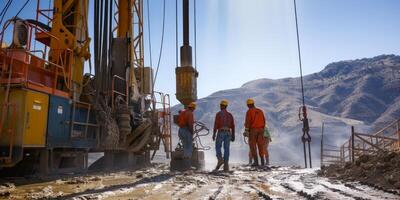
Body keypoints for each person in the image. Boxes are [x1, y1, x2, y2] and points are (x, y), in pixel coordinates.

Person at [212, 99, 235, 172]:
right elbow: (233, 126)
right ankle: (226, 166)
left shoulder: (218, 114)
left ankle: (220, 159)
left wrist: (214, 134)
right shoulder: (230, 115)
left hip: (221, 131)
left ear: (221, 106)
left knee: (218, 146)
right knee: (226, 149)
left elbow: (216, 125)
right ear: (226, 106)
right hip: (228, 132)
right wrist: (233, 135)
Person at [244, 98, 266, 166]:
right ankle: (262, 162)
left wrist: (246, 130)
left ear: (248, 105)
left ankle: (256, 162)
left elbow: (248, 122)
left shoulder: (249, 111)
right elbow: (264, 121)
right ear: (253, 104)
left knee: (253, 146)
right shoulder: (260, 111)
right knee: (261, 146)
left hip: (253, 131)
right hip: (261, 130)